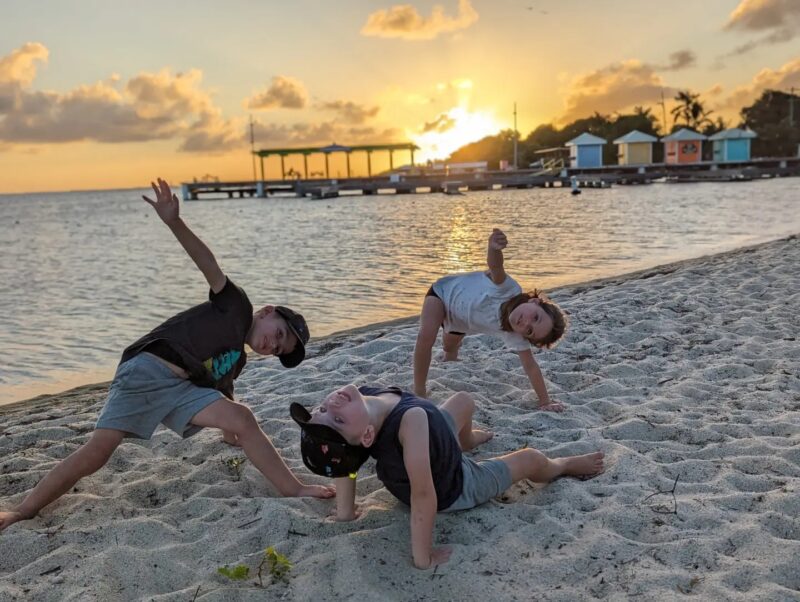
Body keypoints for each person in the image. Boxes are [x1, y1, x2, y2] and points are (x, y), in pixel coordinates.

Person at [0, 178, 333, 533]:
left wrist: (232, 434)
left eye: (278, 349)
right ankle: (22, 510)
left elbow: (223, 394)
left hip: (181, 391)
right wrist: (174, 221)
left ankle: (293, 489)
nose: (271, 344)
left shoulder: (237, 359)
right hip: (146, 371)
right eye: (278, 334)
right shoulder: (237, 307)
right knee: (98, 452)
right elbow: (208, 264)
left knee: (244, 417)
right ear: (267, 312)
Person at [291, 385, 604, 569]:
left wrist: (346, 513)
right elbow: (423, 494)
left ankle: (466, 440)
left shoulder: (364, 398)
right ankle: (562, 465)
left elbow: (343, 461)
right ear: (368, 435)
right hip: (454, 485)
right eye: (338, 419)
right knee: (531, 458)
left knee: (463, 400)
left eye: (322, 410)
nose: (331, 406)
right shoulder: (410, 421)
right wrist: (423, 556)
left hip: (436, 445)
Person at [413, 228, 567, 412]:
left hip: (460, 322)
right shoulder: (508, 290)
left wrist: (544, 401)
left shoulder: (515, 335)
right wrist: (494, 248)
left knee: (449, 346)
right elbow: (496, 267)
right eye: (535, 317)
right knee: (426, 336)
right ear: (534, 301)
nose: (526, 323)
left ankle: (450, 356)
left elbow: (531, 366)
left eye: (530, 331)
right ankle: (419, 390)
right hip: (442, 294)